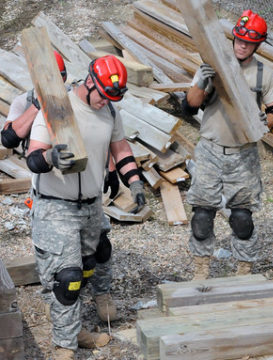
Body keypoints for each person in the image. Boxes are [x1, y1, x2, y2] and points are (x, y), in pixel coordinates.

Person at [26, 54, 145, 359]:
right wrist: (51, 158)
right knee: (67, 278)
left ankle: (79, 324)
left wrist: (134, 182)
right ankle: (64, 346)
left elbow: (120, 148)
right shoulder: (56, 108)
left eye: (111, 98)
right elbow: (33, 157)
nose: (105, 102)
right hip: (56, 207)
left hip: (91, 204)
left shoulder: (110, 111)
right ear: (89, 82)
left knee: (90, 265)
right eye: (102, 96)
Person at [182, 10, 273, 280]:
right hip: (210, 150)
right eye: (238, 40)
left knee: (241, 218)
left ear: (257, 44)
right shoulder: (212, 64)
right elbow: (189, 106)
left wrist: (267, 122)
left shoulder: (264, 74)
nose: (241, 45)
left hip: (243, 154)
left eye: (248, 42)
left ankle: (244, 270)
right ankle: (201, 269)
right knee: (202, 216)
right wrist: (203, 81)